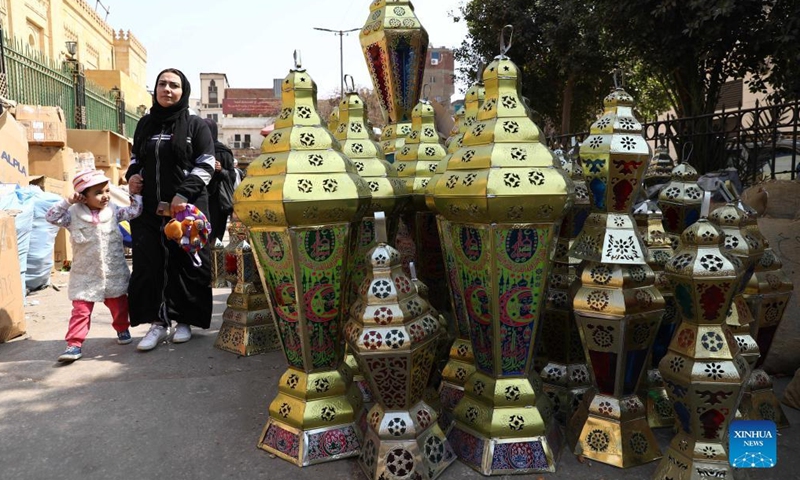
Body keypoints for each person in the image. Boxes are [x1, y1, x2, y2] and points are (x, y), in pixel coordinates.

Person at [126, 68, 216, 351]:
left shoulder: (195, 125)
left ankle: (184, 321)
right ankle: (157, 322)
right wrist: (132, 175)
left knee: (186, 263)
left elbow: (207, 164)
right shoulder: (145, 125)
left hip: (186, 209)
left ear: (183, 91)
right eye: (162, 84)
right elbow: (135, 157)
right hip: (150, 209)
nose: (167, 89)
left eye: (174, 85)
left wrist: (182, 193)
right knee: (151, 264)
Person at [45, 169, 143, 362]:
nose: (105, 196)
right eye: (98, 193)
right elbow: (51, 217)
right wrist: (67, 202)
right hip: (85, 274)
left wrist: (136, 194)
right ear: (82, 197)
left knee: (119, 305)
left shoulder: (113, 212)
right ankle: (74, 344)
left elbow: (134, 211)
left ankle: (122, 328)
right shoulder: (72, 215)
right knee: (81, 310)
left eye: (106, 191)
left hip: (112, 271)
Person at [203, 118, 235, 243]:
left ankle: (217, 262)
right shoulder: (196, 150)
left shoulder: (223, 152)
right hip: (200, 197)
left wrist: (220, 170)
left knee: (216, 238)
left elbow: (232, 176)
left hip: (217, 200)